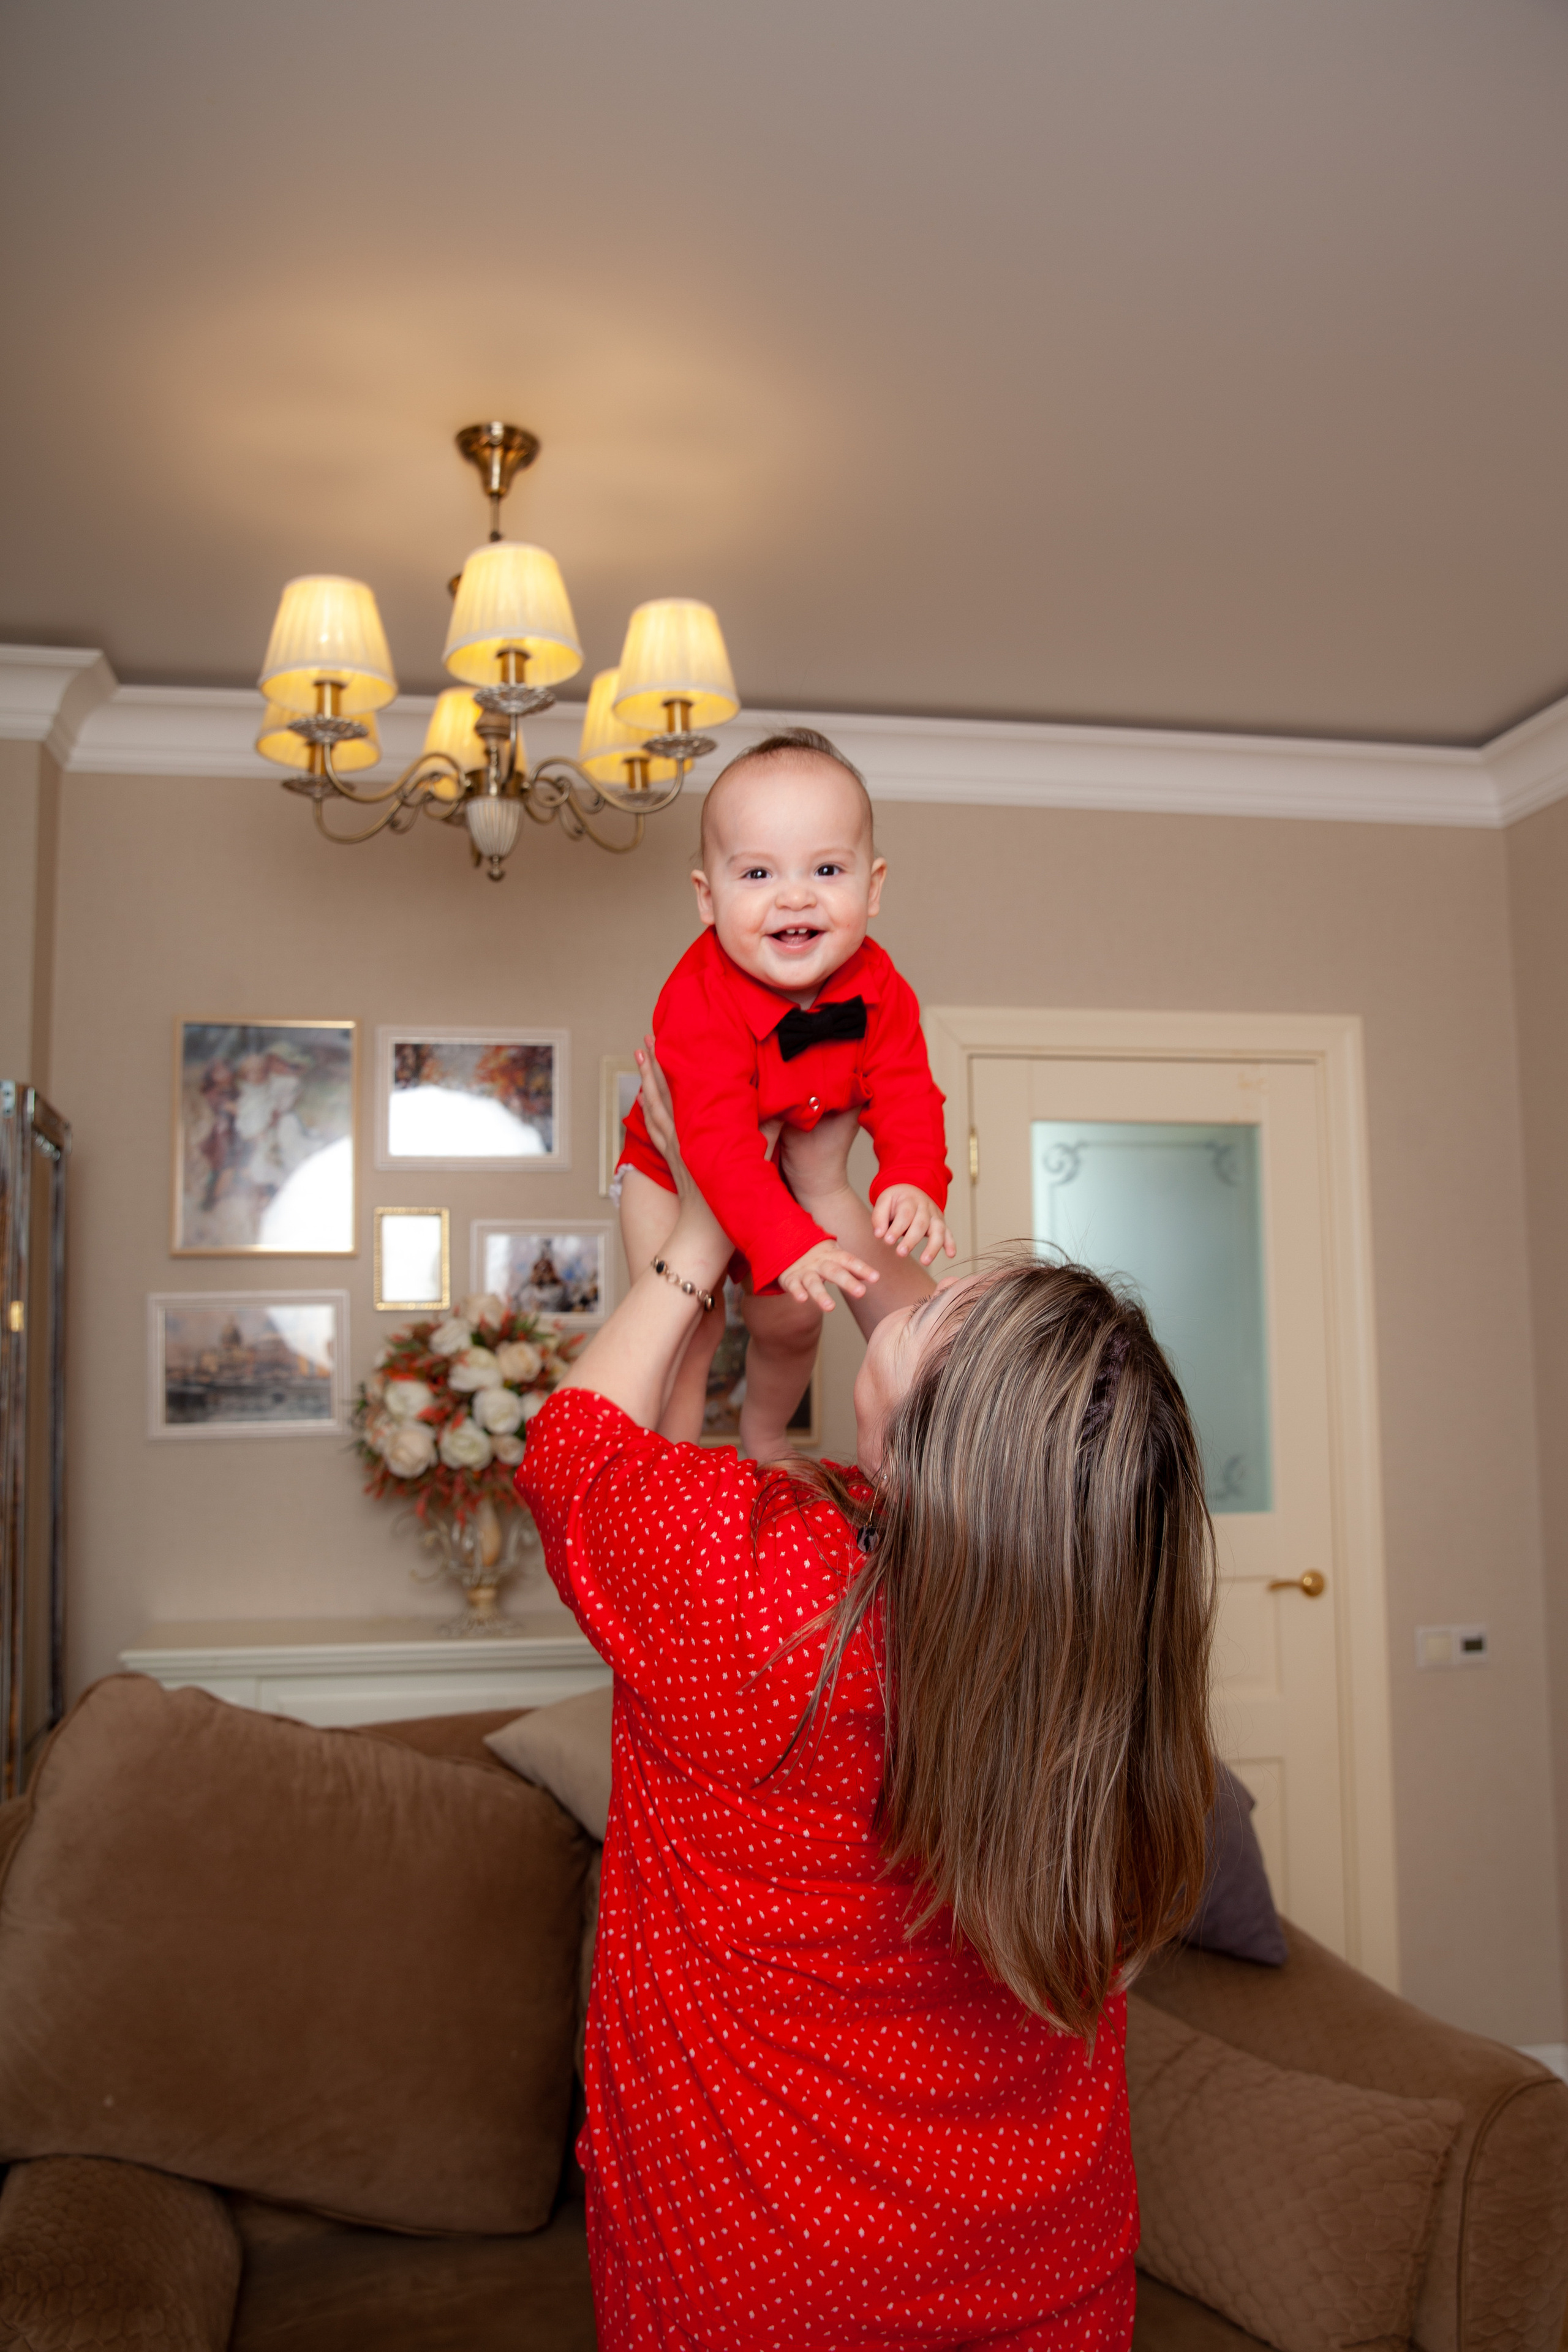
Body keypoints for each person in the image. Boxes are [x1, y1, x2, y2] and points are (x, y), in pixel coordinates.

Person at [518, 1046, 1217, 2352]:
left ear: (941, 1435)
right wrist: (823, 1188)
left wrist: (705, 1228)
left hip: (761, 2280)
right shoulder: (1104, 1639)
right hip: (1043, 2272)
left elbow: (572, 1457)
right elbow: (943, 1366)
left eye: (948, 1314)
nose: (922, 1294)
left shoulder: (768, 1604)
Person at [616, 726, 953, 1460]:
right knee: (688, 1321)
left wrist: (911, 1178)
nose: (794, 896)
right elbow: (716, 1144)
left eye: (828, 870)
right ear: (707, 898)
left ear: (874, 886)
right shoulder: (698, 1000)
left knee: (794, 1322)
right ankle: (674, 1463)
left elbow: (907, 1091)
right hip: (672, 1173)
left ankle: (764, 1440)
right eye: (758, 875)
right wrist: (784, 1239)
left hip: (790, 1185)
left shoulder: (882, 987)